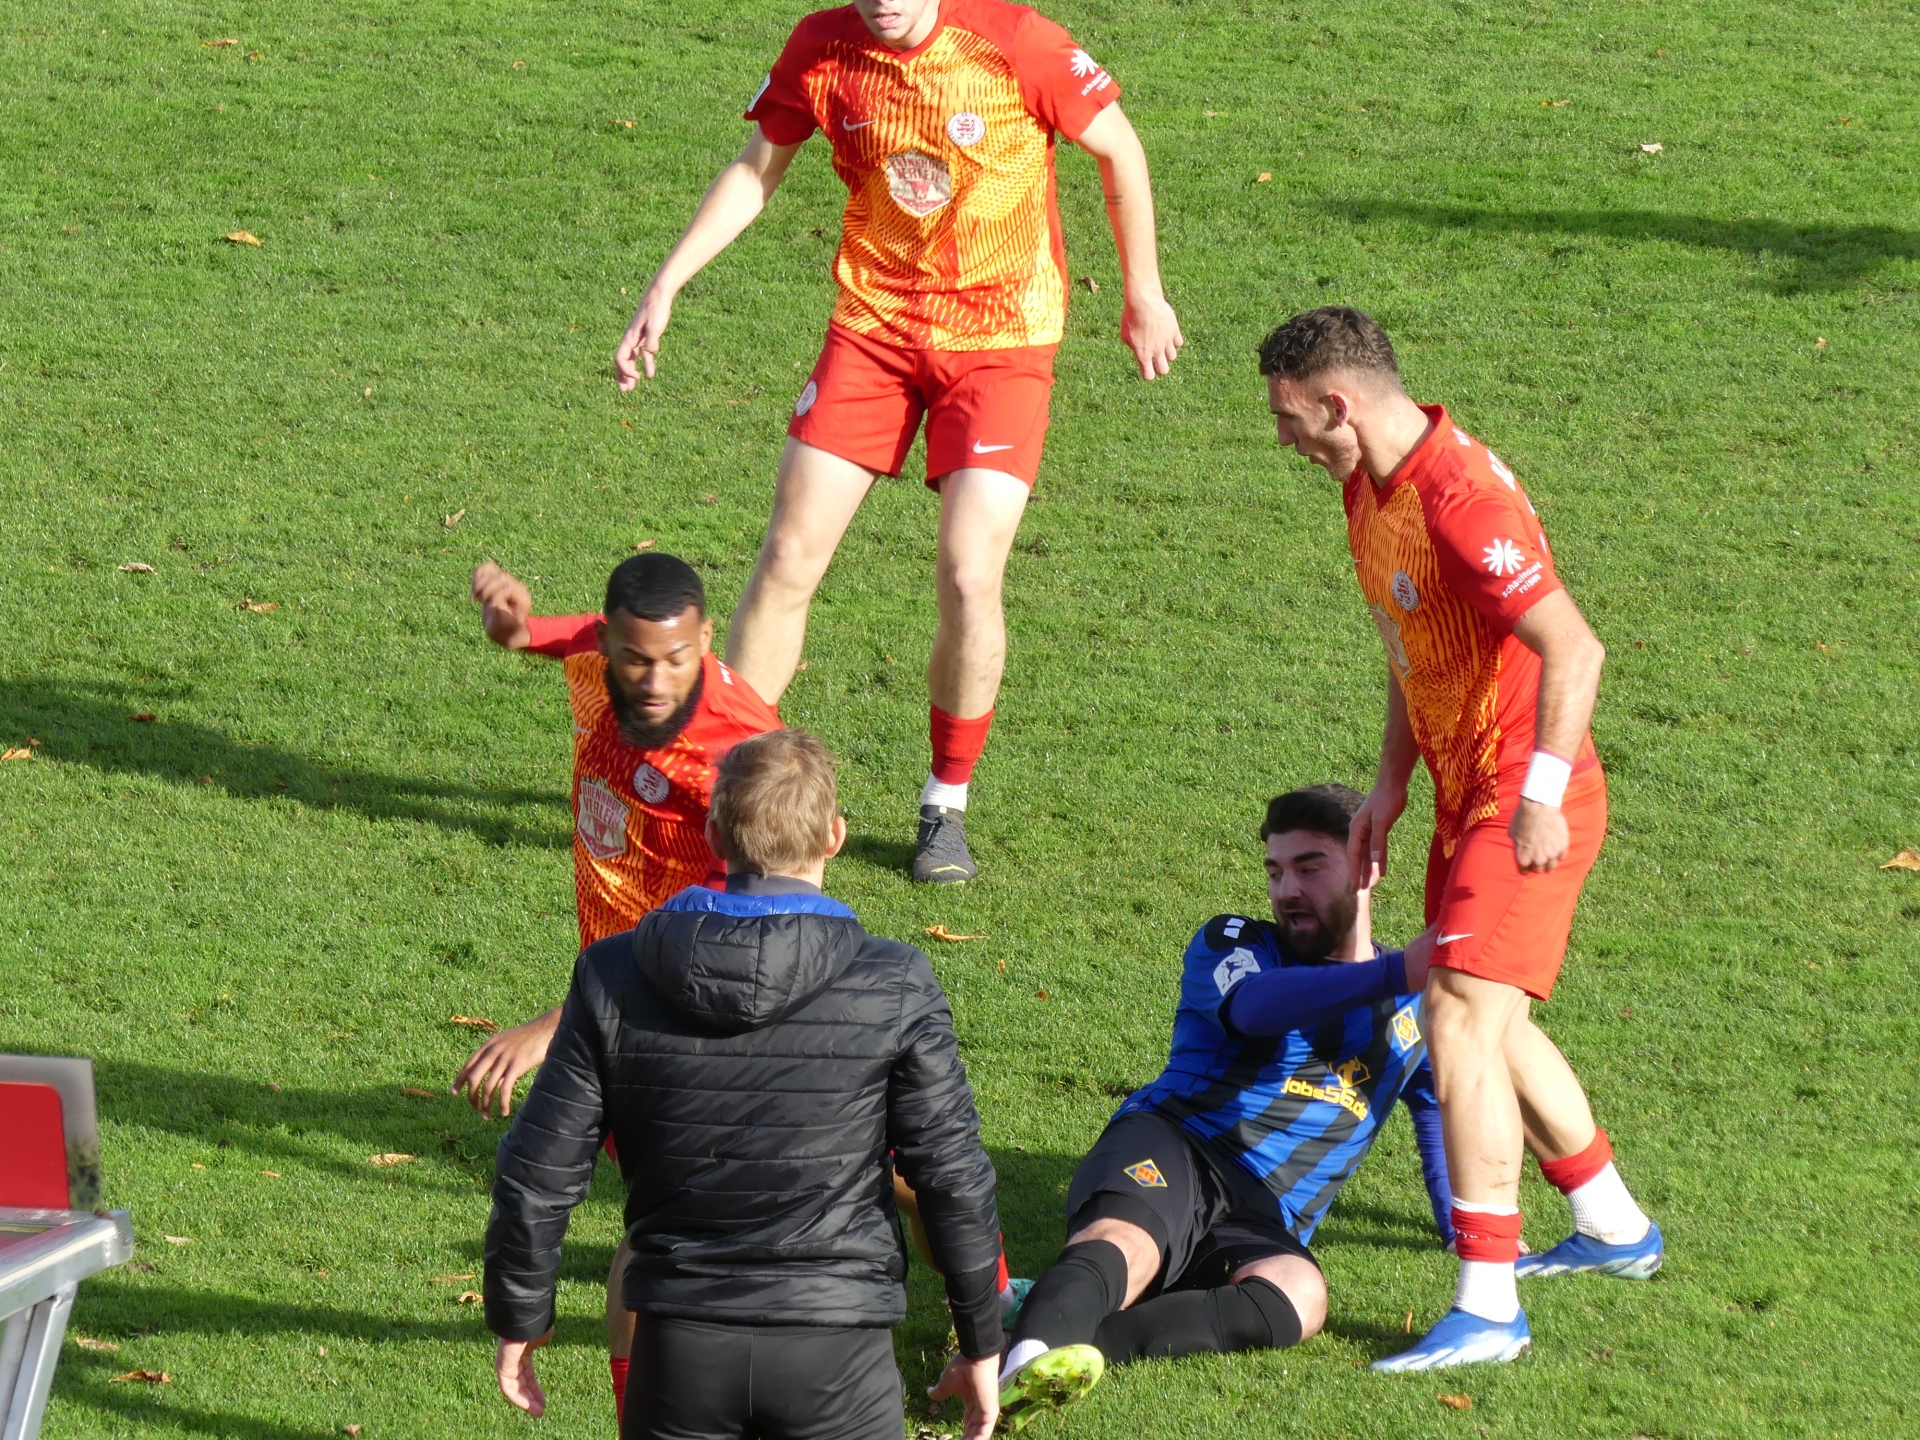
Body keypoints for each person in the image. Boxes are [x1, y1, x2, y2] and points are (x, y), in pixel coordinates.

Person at [613, 0, 1184, 884]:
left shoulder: (1016, 42)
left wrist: (1142, 290)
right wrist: (668, 281)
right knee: (788, 554)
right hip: (873, 328)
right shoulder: (821, 46)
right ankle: (729, 781)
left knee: (968, 574)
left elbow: (1121, 147)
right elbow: (757, 166)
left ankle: (944, 803)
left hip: (1002, 338)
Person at [1258, 308, 1663, 1374]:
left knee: (1456, 1014)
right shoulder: (1370, 485)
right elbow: (1413, 641)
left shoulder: (1461, 502)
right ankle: (1615, 1225)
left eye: (1291, 419)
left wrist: (1539, 794)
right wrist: (1390, 783)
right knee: (1490, 1012)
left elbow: (1576, 648)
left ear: (1338, 402)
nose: (1284, 439)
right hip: (1461, 790)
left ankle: (1488, 1307)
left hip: (1522, 797)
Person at [481, 729, 1006, 1440]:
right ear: (835, 836)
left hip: (679, 1352)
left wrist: (520, 1316)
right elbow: (950, 1173)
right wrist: (980, 1340)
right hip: (840, 1355)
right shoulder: (895, 983)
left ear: (712, 835)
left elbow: (537, 1170)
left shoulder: (614, 974)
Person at [993, 785, 1454, 1429]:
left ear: (1369, 866)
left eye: (1309, 868)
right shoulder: (1235, 942)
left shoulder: (1414, 1012)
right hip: (1177, 1144)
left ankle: (1075, 1344)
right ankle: (1018, 1363)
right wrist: (1396, 972)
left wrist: (1460, 1228)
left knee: (1301, 1295)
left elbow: (1436, 1109)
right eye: (1275, 871)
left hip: (1265, 1213)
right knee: (1127, 1246)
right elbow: (1251, 1008)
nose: (1286, 890)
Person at [451, 551, 781, 1420]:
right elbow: (551, 638)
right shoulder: (603, 663)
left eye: (677, 659)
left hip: (718, 1000)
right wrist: (512, 629)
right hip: (626, 1002)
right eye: (636, 659)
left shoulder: (734, 761)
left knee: (897, 1175)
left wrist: (559, 1023)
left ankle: (992, 1312)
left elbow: (721, 932)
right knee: (654, 1222)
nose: (655, 681)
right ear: (611, 643)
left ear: (705, 642)